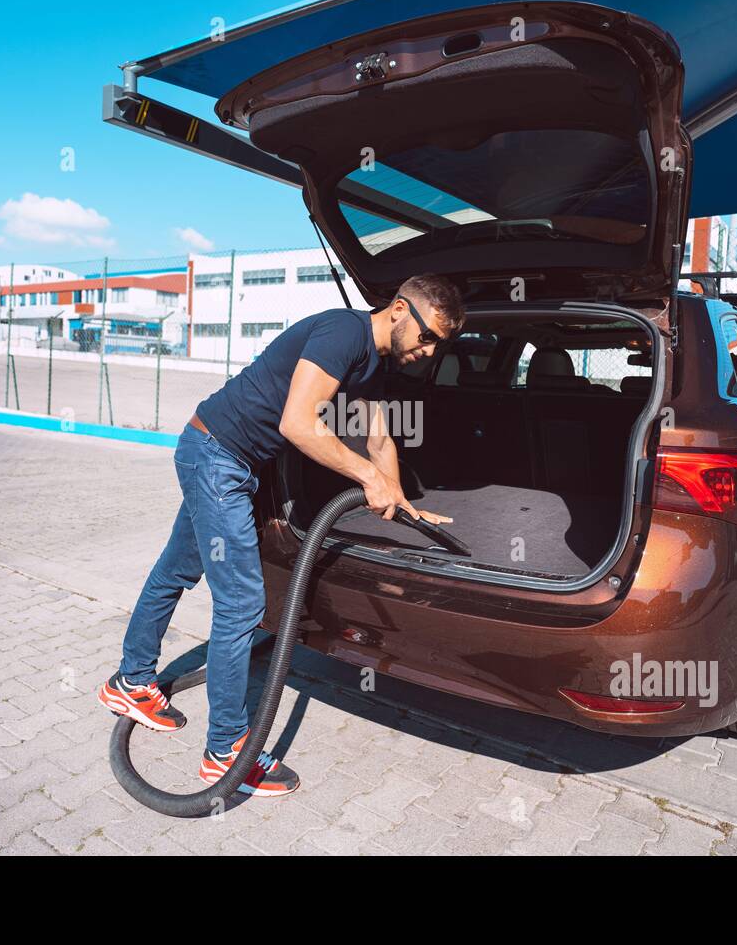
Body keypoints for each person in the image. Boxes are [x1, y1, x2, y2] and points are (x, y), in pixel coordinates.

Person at [98, 274, 465, 796]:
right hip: (217, 457)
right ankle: (227, 753)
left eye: (439, 345)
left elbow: (380, 440)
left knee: (175, 570)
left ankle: (130, 682)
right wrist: (368, 478)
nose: (428, 351)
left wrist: (400, 500)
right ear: (401, 309)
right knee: (242, 604)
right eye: (428, 336)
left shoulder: (372, 366)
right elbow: (298, 423)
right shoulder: (344, 333)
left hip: (225, 459)